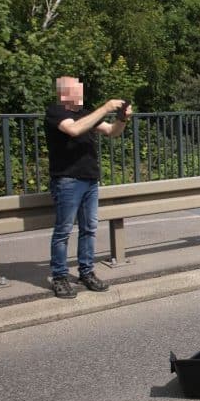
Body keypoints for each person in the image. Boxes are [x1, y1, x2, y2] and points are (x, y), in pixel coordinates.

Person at [45, 76, 132, 299]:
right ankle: (60, 277)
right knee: (63, 231)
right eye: (77, 90)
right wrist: (104, 107)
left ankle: (86, 272)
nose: (81, 94)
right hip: (67, 180)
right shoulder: (56, 112)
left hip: (90, 180)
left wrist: (122, 118)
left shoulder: (86, 115)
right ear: (64, 94)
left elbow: (112, 131)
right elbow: (74, 130)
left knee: (89, 229)